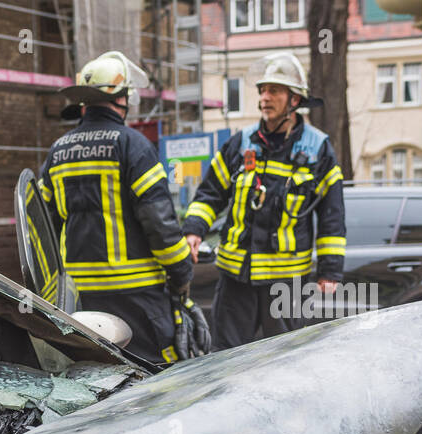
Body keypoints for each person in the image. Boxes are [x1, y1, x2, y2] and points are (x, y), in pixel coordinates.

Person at [38, 51, 200, 366]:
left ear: (84, 102)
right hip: (136, 297)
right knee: (148, 376)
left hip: (78, 298)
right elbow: (160, 225)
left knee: (91, 375)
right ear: (122, 98)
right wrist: (181, 273)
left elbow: (43, 229)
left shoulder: (56, 153)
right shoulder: (133, 146)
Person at [180, 52, 346, 349]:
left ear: (295, 100)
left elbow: (332, 214)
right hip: (235, 279)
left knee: (284, 363)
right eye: (262, 90)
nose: (264, 97)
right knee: (225, 362)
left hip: (285, 283)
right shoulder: (241, 144)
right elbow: (210, 192)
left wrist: (330, 271)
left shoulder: (318, 148)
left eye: (274, 91)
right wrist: (194, 229)